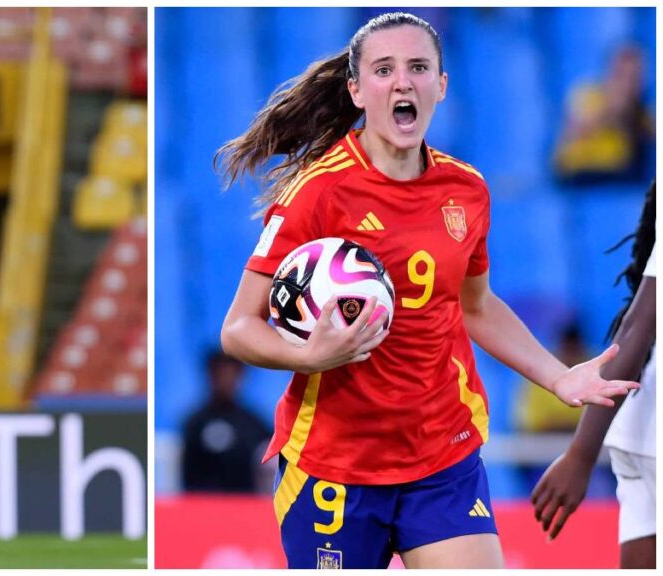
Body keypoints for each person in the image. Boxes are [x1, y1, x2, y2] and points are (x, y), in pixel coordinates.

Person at [215, 12, 639, 569]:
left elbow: (477, 305)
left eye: (418, 67)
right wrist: (308, 354)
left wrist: (558, 376)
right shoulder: (316, 193)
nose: (402, 82)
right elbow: (239, 327)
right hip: (336, 468)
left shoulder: (466, 191)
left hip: (443, 456)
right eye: (384, 69)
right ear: (357, 89)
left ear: (441, 84)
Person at [532, 181, 655, 568]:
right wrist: (581, 454)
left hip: (640, 429)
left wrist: (582, 454)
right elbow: (639, 325)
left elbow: (638, 325)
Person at [553, 45, 654, 186]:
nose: (628, 83)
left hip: (619, 175)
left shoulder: (640, 109)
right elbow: (574, 131)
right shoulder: (589, 95)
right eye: (622, 75)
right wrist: (610, 111)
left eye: (634, 77)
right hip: (581, 172)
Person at [182, 350, 272, 493]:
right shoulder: (195, 423)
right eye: (221, 373)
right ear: (210, 375)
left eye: (232, 373)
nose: (226, 379)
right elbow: (187, 478)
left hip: (248, 506)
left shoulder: (254, 424)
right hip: (203, 505)